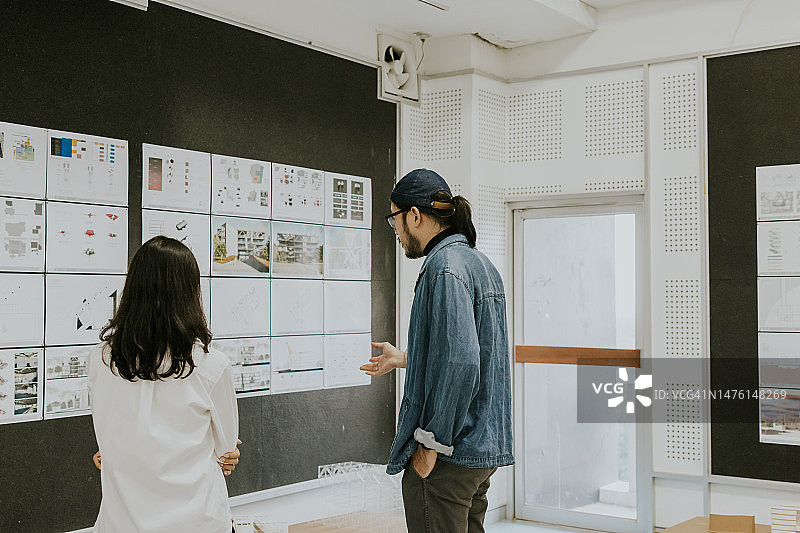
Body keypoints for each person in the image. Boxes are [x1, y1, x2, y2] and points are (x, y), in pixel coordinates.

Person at [362, 169, 514, 533]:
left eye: (394, 219)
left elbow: (460, 362)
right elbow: (473, 353)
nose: (395, 232)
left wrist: (430, 444)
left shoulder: (443, 269)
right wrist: (405, 358)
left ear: (414, 215)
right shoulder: (480, 264)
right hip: (478, 451)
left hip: (448, 455)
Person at [88, 235, 240, 533]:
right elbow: (226, 448)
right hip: (198, 521)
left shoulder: (102, 360)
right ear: (190, 293)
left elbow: (108, 437)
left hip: (122, 522)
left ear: (133, 288)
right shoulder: (210, 364)